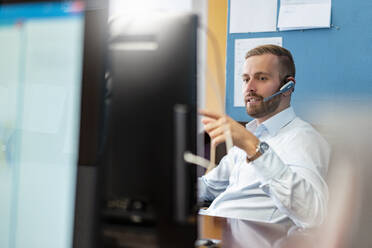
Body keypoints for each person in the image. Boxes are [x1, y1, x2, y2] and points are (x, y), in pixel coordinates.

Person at [198, 44, 330, 228]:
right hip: (213, 227)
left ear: (287, 87)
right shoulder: (251, 134)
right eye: (245, 79)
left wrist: (253, 148)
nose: (249, 88)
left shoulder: (302, 139)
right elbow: (210, 186)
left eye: (261, 78)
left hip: (247, 239)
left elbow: (313, 214)